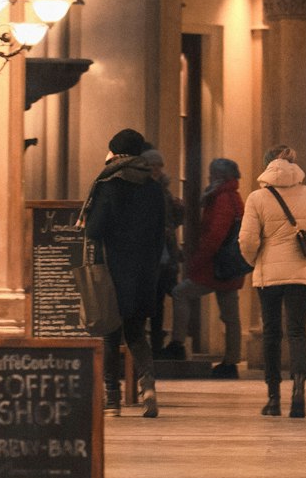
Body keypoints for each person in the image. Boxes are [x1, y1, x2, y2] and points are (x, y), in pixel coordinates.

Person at [238, 145, 306, 420]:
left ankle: (272, 398)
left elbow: (247, 240)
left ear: (268, 165)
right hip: (302, 275)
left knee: (271, 334)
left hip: (268, 275)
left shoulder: (257, 197)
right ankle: (299, 393)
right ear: (294, 164)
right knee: (297, 332)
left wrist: (255, 261)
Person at [81, 126, 166, 418]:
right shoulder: (154, 187)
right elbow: (161, 231)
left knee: (109, 335)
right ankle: (149, 386)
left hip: (113, 270)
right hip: (144, 271)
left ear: (115, 152)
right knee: (136, 333)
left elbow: (93, 230)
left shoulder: (109, 183)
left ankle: (112, 400)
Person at [161, 158, 245, 376]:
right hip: (229, 265)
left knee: (180, 293)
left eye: (211, 173)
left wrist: (197, 260)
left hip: (215, 265)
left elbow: (215, 234)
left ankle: (178, 343)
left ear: (219, 176)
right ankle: (231, 362)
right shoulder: (232, 197)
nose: (208, 177)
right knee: (230, 315)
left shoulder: (222, 198)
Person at [142, 146, 185, 356]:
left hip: (165, 254)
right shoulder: (141, 189)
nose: (156, 170)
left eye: (159, 166)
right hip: (147, 254)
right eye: (152, 166)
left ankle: (157, 345)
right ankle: (144, 345)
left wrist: (179, 211)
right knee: (145, 302)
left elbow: (173, 220)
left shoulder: (164, 191)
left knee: (159, 301)